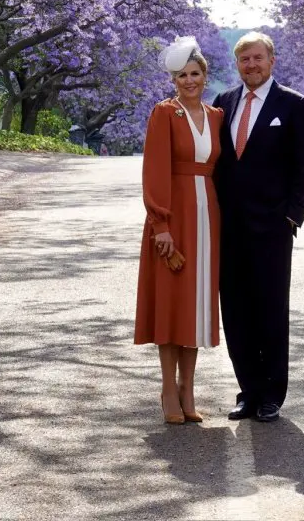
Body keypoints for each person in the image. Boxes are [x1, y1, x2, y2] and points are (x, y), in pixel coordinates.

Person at [213, 31, 304, 423]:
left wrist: (292, 217)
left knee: (270, 311)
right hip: (228, 227)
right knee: (236, 312)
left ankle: (272, 394)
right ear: (237, 65)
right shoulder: (224, 103)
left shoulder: (294, 105)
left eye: (258, 58)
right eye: (244, 60)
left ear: (271, 61)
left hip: (272, 229)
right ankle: (249, 391)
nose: (251, 65)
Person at [135, 36, 225, 425]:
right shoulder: (164, 113)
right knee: (172, 303)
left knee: (197, 306)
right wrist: (161, 224)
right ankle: (168, 389)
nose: (189, 81)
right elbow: (154, 170)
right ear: (173, 80)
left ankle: (189, 389)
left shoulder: (217, 116)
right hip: (174, 218)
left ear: (205, 75)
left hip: (208, 218)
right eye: (182, 75)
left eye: (195, 73)